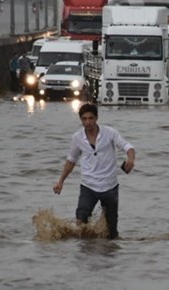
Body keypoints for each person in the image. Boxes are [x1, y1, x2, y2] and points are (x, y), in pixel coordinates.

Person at [53, 103, 135, 240]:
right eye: (84, 119)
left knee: (112, 231)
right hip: (88, 186)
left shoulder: (110, 133)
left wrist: (130, 160)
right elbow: (71, 160)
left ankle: (110, 257)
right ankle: (85, 253)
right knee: (81, 221)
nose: (88, 122)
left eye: (91, 118)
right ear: (81, 120)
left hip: (110, 186)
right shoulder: (77, 138)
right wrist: (60, 181)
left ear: (96, 118)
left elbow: (127, 146)